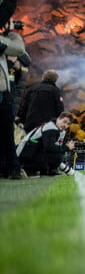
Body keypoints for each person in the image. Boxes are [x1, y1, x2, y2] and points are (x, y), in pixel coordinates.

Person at [0, 18, 27, 179]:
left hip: (7, 98)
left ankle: (10, 169)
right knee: (7, 136)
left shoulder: (14, 68)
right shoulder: (4, 45)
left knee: (7, 136)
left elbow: (25, 58)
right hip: (4, 97)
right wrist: (11, 32)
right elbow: (19, 49)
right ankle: (12, 169)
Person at [17, 112, 75, 176]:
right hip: (25, 154)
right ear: (58, 119)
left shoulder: (59, 130)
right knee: (56, 154)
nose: (65, 125)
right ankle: (28, 168)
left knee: (58, 151)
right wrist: (66, 147)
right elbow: (49, 147)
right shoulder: (50, 128)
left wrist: (70, 143)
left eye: (68, 124)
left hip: (31, 152)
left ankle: (48, 169)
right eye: (64, 122)